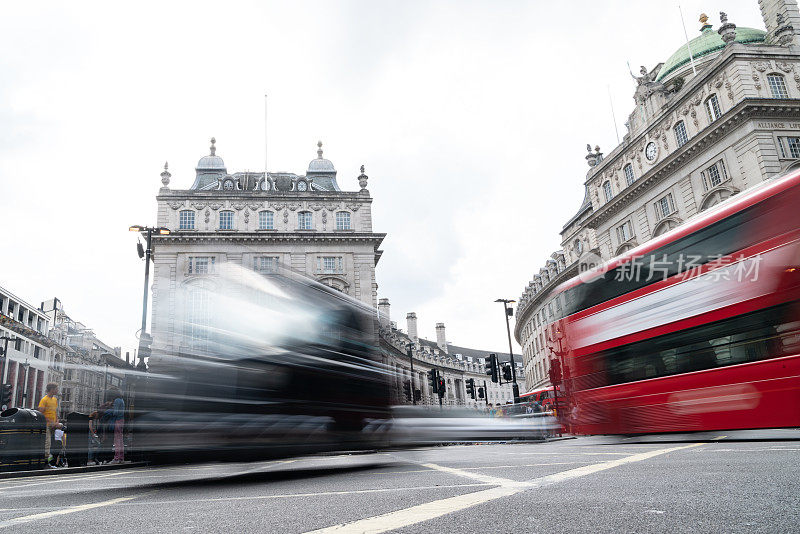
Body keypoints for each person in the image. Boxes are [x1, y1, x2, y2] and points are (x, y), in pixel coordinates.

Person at [37, 383, 61, 466]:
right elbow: (41, 413)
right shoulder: (44, 400)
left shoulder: (55, 400)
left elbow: (55, 412)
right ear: (52, 389)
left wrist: (57, 421)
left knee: (53, 444)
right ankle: (45, 463)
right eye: (56, 389)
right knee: (47, 443)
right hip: (46, 425)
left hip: (53, 425)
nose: (57, 390)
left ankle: (50, 462)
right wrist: (52, 422)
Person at [109, 388, 125, 463]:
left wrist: (110, 411)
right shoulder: (122, 400)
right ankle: (121, 457)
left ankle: (116, 458)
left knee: (117, 440)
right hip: (122, 420)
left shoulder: (116, 400)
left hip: (118, 421)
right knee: (121, 440)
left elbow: (115, 412)